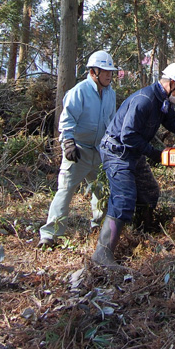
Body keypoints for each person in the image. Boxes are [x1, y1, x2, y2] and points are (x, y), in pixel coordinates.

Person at [91, 62, 175, 267]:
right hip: (117, 152)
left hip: (132, 152)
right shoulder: (145, 100)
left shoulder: (162, 100)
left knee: (149, 191)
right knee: (124, 198)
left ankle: (139, 233)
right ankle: (102, 254)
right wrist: (156, 155)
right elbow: (128, 136)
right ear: (172, 84)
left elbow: (171, 119)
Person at [38, 50, 117, 248]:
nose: (109, 75)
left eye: (111, 71)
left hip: (99, 152)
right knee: (65, 190)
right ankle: (50, 235)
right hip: (78, 151)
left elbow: (111, 121)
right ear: (93, 72)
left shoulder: (111, 94)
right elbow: (67, 119)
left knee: (101, 192)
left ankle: (98, 229)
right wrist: (69, 143)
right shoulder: (79, 91)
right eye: (105, 71)